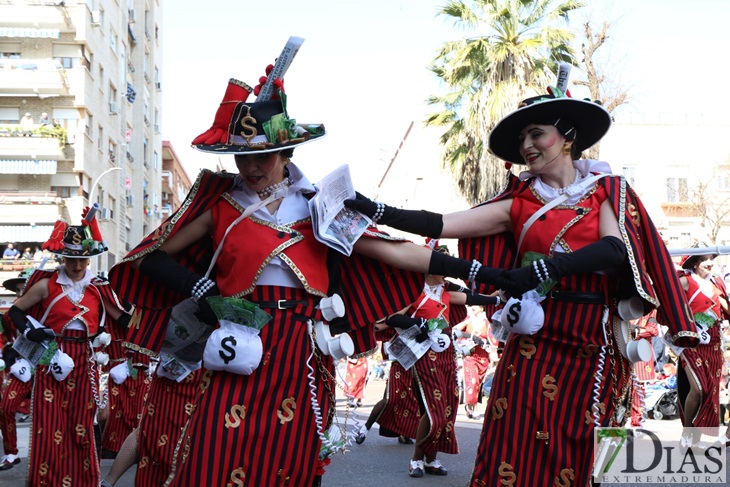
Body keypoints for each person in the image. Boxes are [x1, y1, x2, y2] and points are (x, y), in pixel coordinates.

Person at [107, 64, 478, 486]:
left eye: (261, 156)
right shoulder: (221, 206)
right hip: (235, 338)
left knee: (292, 458)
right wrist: (204, 290)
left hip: (300, 346)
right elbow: (150, 259)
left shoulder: (319, 204)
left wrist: (475, 271)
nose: (250, 167)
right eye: (241, 156)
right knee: (212, 451)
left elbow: (393, 252)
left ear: (287, 154)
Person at [344, 67, 699, 486]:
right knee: (515, 444)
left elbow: (614, 247)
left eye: (536, 134)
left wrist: (552, 266)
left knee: (593, 454)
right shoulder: (517, 203)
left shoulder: (609, 188)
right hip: (536, 341)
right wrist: (373, 208)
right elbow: (441, 223)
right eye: (522, 139)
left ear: (567, 137)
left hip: (596, 339)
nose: (526, 146)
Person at [4, 213, 131, 486]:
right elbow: (15, 311)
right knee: (48, 424)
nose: (77, 265)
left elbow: (122, 320)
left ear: (90, 258)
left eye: (83, 258)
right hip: (51, 356)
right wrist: (29, 331)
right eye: (71, 258)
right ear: (63, 257)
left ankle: (83, 480)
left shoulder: (97, 289)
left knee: (82, 424)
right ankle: (46, 481)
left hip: (85, 360)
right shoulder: (46, 285)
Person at [676, 253, 728, 446]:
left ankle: (695, 437)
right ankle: (687, 433)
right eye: (705, 259)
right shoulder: (685, 281)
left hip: (713, 343)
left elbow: (725, 309)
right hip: (691, 341)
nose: (709, 263)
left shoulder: (716, 284)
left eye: (711, 259)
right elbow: (667, 300)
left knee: (708, 392)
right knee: (698, 388)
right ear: (695, 263)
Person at [0, 270, 34, 471]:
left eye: (26, 289)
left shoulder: (46, 310)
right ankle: (12, 453)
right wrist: (11, 361)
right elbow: (7, 341)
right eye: (19, 290)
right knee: (5, 407)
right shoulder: (8, 315)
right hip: (21, 369)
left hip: (47, 368)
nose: (22, 293)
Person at [453, 305, 491, 419]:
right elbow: (455, 330)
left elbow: (493, 338)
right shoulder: (467, 319)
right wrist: (469, 321)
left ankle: (470, 407)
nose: (473, 307)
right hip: (470, 355)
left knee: (478, 384)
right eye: (472, 305)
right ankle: (474, 409)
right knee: (472, 381)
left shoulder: (487, 322)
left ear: (482, 307)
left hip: (483, 357)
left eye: (477, 305)